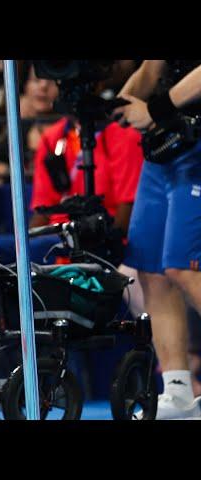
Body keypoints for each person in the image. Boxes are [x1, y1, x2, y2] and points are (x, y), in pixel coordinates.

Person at [113, 60, 201, 419]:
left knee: (184, 267)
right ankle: (178, 391)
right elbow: (151, 69)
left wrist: (152, 108)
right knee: (151, 269)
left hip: (196, 144)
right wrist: (119, 101)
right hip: (163, 147)